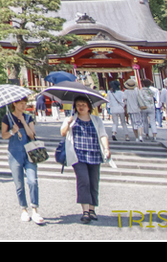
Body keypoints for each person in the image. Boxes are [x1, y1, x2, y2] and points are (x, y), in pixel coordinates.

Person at [61, 95, 110, 224]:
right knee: (84, 180)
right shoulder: (72, 119)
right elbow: (63, 133)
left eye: (83, 105)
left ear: (89, 106)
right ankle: (85, 210)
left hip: (94, 154)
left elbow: (103, 135)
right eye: (78, 105)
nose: (81, 107)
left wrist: (106, 149)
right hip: (78, 154)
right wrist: (67, 123)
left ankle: (92, 209)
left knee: (94, 181)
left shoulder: (96, 120)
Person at [1, 97, 43, 225]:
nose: (24, 106)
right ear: (15, 104)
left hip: (29, 152)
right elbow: (3, 135)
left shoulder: (29, 117)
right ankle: (23, 209)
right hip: (14, 153)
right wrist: (12, 131)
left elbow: (32, 135)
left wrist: (24, 123)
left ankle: (35, 209)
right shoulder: (7, 118)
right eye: (21, 104)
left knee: (33, 181)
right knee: (19, 183)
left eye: (25, 103)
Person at [122, 78, 149, 142]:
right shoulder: (137, 91)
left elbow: (124, 99)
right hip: (138, 109)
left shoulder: (126, 92)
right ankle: (141, 136)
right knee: (140, 123)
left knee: (134, 124)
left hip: (131, 109)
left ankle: (136, 137)